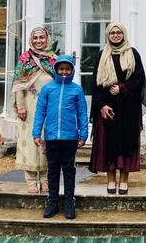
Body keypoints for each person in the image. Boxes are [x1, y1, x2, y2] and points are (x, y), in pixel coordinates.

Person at [89, 22, 146, 195]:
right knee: (109, 144)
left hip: (128, 108)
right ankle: (110, 180)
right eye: (112, 33)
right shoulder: (102, 55)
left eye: (118, 32)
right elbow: (95, 84)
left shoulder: (132, 53)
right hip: (107, 109)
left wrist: (122, 88)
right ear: (108, 35)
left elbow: (139, 79)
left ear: (124, 34)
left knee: (126, 144)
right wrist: (101, 105)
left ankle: (124, 181)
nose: (115, 35)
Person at [32, 55, 88, 220]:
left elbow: (82, 113)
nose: (64, 72)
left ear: (72, 70)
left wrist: (83, 134)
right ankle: (53, 202)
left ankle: (69, 202)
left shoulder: (77, 90)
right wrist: (36, 133)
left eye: (67, 69)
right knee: (53, 170)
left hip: (70, 137)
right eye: (61, 69)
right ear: (56, 70)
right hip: (51, 137)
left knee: (69, 170)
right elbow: (40, 112)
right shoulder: (48, 89)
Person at [11, 27, 57, 194]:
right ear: (31, 40)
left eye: (41, 37)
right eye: (35, 38)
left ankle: (45, 179)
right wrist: (21, 107)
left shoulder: (53, 59)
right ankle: (31, 180)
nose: (38, 41)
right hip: (29, 107)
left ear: (47, 39)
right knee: (30, 141)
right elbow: (18, 85)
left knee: (47, 140)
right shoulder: (25, 59)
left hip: (49, 107)